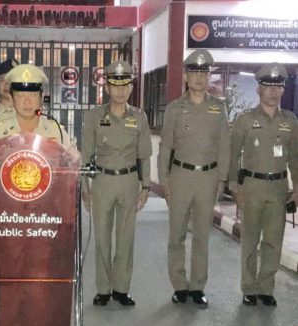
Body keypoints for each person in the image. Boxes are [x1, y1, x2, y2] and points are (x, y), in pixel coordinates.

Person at [0, 64, 74, 326]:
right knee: (10, 277)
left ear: (42, 97)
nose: (28, 100)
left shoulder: (54, 129)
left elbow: (71, 163)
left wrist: (73, 159)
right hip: (10, 217)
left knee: (39, 277)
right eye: (21, 93)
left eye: (33, 94)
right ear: (12, 95)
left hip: (43, 215)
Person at [157, 49, 230, 308]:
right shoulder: (175, 109)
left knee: (202, 236)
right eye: (194, 71)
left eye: (203, 72)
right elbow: (166, 146)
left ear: (209, 76)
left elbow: (224, 146)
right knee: (176, 235)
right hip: (180, 176)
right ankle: (179, 285)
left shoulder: (218, 108)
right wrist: (164, 180)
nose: (199, 77)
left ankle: (198, 286)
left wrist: (222, 179)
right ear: (186, 76)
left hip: (208, 177)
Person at [82, 60, 152, 307]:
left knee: (125, 237)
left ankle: (121, 289)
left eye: (125, 85)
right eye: (116, 85)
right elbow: (85, 155)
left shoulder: (139, 117)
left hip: (129, 181)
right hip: (102, 181)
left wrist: (146, 187)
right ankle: (103, 289)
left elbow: (144, 155)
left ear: (131, 87)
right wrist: (84, 188)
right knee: (102, 237)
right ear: (107, 88)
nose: (121, 91)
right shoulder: (94, 116)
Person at [229, 63, 298, 307]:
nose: (273, 91)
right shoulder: (245, 120)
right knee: (250, 240)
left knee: (273, 241)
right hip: (252, 188)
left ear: (283, 90)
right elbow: (233, 155)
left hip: (278, 189)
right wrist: (234, 186)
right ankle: (249, 287)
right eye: (268, 86)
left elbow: (295, 158)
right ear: (258, 89)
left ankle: (266, 288)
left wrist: (297, 188)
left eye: (278, 86)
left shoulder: (290, 121)